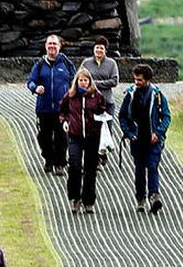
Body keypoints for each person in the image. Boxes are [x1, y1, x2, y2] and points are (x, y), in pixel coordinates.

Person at [117, 63, 172, 214]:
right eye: (135, 79)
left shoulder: (158, 95)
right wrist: (128, 133)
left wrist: (159, 133)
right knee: (140, 170)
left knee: (153, 166)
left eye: (139, 80)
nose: (136, 82)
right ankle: (140, 198)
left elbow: (166, 116)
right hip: (137, 140)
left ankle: (154, 196)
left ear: (147, 80)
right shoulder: (130, 94)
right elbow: (122, 116)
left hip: (153, 140)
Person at [59, 68, 107, 214]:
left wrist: (101, 117)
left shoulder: (97, 96)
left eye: (86, 80)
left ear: (90, 81)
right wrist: (64, 121)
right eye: (81, 80)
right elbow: (63, 111)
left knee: (90, 169)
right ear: (77, 81)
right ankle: (75, 199)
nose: (83, 83)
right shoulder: (70, 95)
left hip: (92, 137)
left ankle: (89, 201)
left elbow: (103, 110)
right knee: (74, 166)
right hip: (75, 135)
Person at [26, 34, 74, 176]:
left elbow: (75, 80)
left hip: (62, 109)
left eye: (54, 44)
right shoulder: (40, 64)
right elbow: (31, 81)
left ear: (60, 46)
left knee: (61, 138)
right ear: (45, 46)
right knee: (44, 138)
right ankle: (49, 159)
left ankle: (60, 164)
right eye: (49, 44)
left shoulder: (66, 63)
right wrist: (36, 88)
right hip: (44, 108)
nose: (52, 46)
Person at [82, 37, 121, 161]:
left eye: (101, 48)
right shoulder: (86, 62)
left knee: (107, 129)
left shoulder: (111, 63)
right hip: (90, 102)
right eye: (97, 47)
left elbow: (114, 81)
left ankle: (103, 152)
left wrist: (95, 84)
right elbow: (80, 78)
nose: (99, 50)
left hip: (107, 102)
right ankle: (96, 157)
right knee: (92, 130)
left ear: (106, 50)